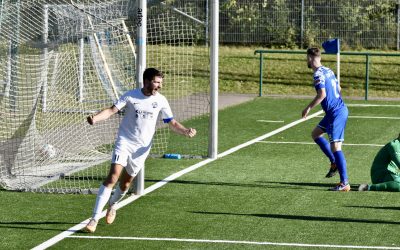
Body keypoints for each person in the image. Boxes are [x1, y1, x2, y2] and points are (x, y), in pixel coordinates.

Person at [84, 68, 197, 233]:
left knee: (126, 183)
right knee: (113, 176)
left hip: (141, 149)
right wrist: (95, 119)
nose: (159, 86)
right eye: (156, 82)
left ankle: (113, 204)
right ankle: (93, 219)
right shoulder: (130, 95)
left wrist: (185, 131)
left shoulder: (161, 101)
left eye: (160, 83)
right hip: (124, 142)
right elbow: (111, 110)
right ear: (146, 81)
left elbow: (171, 122)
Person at [302, 47, 350, 191]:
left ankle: (344, 183)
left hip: (336, 113)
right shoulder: (328, 70)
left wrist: (308, 108)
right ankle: (334, 162)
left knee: (336, 146)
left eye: (306, 58)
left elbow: (322, 94)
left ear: (310, 58)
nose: (306, 61)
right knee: (316, 134)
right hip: (334, 112)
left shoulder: (318, 75)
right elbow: (339, 88)